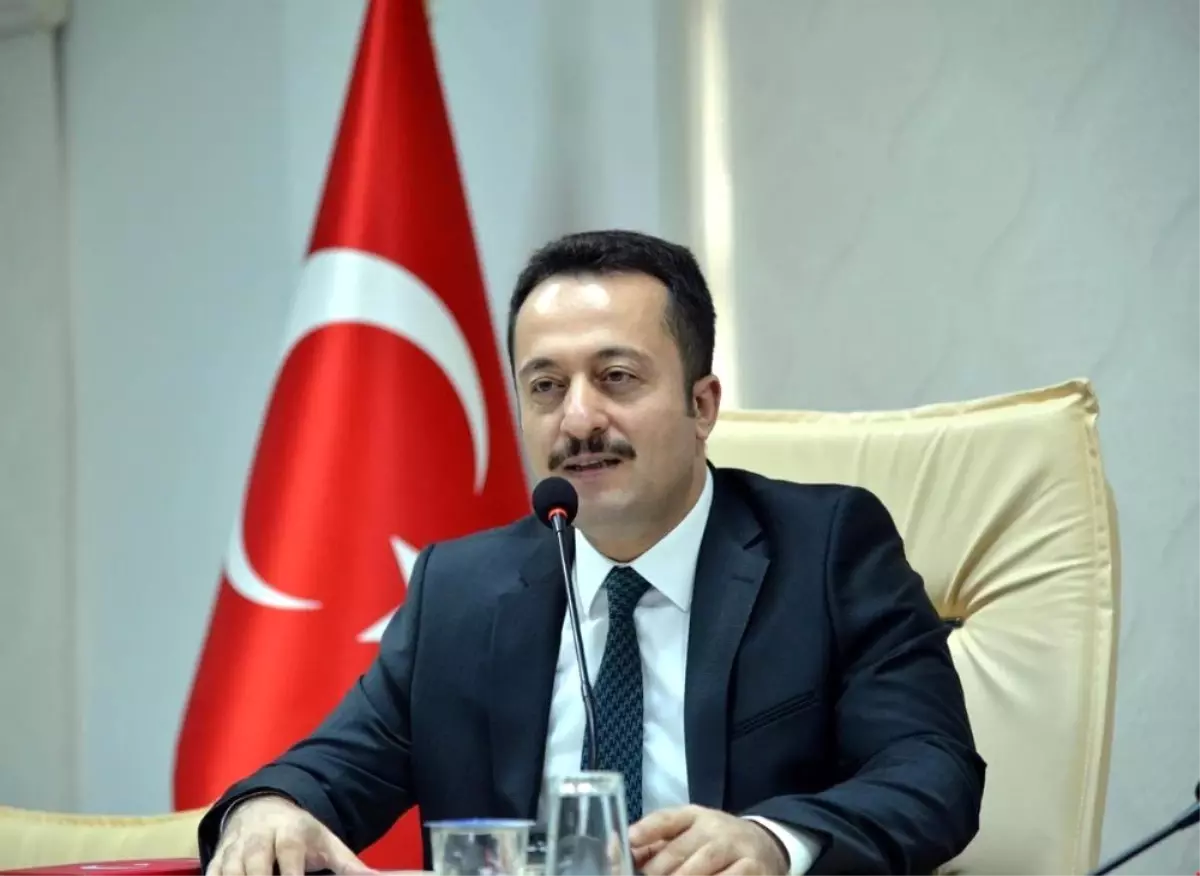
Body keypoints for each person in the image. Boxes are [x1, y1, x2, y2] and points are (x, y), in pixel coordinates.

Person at [198, 229, 986, 876]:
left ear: (702, 404)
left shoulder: (826, 552)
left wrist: (772, 842)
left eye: (616, 377)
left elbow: (932, 773)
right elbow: (332, 768)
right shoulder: (460, 591)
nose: (578, 420)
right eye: (545, 387)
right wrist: (270, 809)